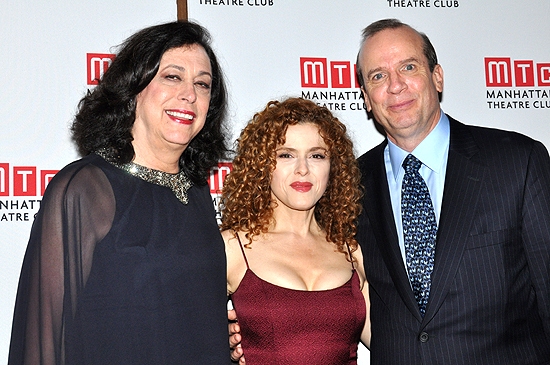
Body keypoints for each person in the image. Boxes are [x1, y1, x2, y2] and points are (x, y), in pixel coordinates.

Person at [8, 21, 232, 365]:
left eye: (202, 84)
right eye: (172, 77)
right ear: (134, 86)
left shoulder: (198, 192)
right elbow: (44, 339)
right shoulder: (85, 188)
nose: (189, 94)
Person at [355, 18, 550, 364]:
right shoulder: (350, 184)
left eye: (408, 67)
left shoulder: (517, 161)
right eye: (378, 76)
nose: (395, 86)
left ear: (437, 76)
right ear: (367, 99)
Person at [220, 97, 370, 364]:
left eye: (317, 155)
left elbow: (396, 340)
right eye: (286, 155)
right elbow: (183, 331)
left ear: (333, 168)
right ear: (263, 165)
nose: (303, 169)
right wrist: (222, 340)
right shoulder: (232, 247)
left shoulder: (351, 252)